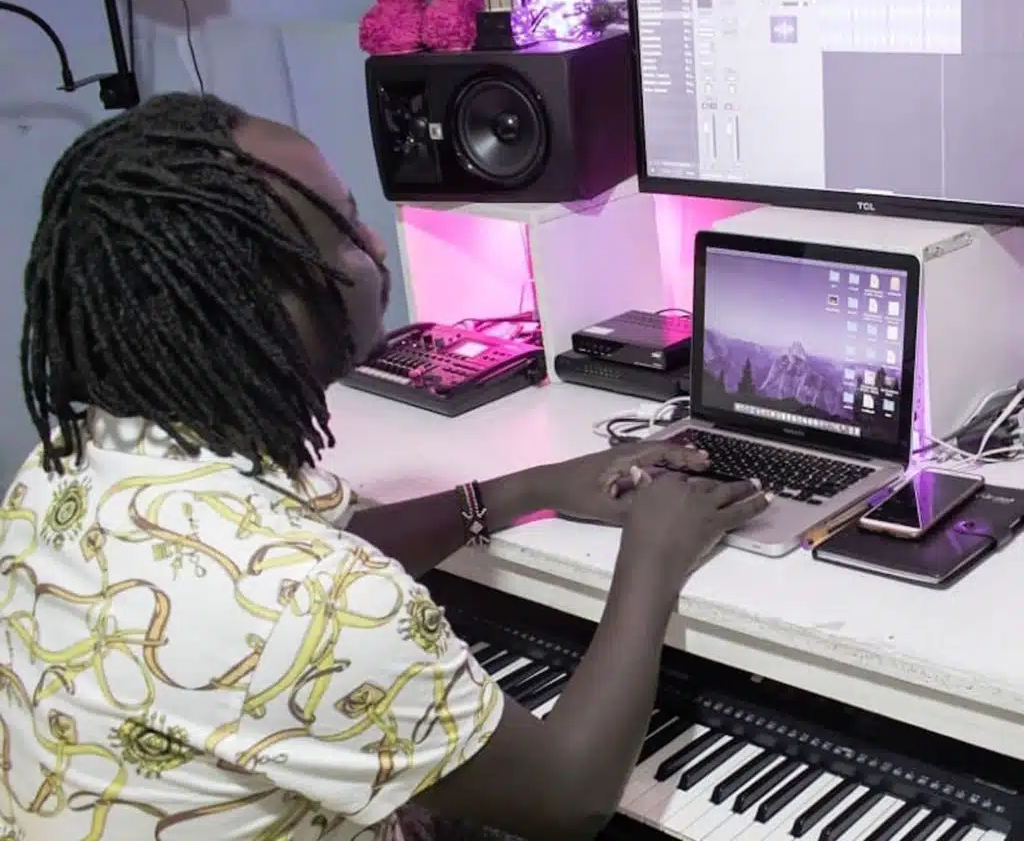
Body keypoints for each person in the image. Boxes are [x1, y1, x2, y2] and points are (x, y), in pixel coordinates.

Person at [1, 92, 768, 841]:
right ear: (266, 303)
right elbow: (569, 800)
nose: (372, 241)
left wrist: (528, 488)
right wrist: (654, 555)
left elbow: (312, 555)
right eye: (343, 230)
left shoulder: (72, 460)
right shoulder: (315, 602)